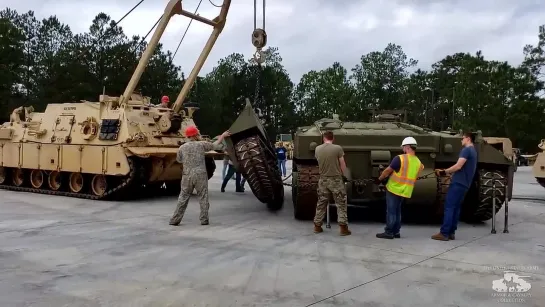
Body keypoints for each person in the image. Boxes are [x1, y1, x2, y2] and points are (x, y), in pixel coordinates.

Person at [169, 126, 230, 226]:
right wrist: (222, 135)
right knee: (203, 196)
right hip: (200, 174)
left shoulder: (182, 147)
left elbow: (179, 160)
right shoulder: (201, 145)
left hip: (187, 175)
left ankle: (175, 220)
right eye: (197, 134)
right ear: (195, 135)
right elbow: (215, 145)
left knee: (183, 197)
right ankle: (204, 219)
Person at [432, 131, 478, 241]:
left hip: (458, 183)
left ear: (468, 138)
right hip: (465, 184)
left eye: (462, 138)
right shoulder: (474, 151)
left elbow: (458, 166)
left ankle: (444, 233)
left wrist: (444, 172)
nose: (461, 140)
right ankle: (451, 232)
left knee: (449, 207)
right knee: (456, 208)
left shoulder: (466, 150)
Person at [375, 137, 424, 239]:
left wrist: (379, 179)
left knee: (391, 211)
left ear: (407, 147)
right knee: (397, 211)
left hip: (394, 188)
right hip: (405, 190)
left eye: (403, 147)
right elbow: (415, 176)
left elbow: (388, 170)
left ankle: (389, 232)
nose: (403, 149)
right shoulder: (419, 163)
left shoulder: (400, 158)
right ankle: (396, 231)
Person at [312, 131, 351, 236]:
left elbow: (318, 161)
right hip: (336, 180)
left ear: (323, 138)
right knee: (341, 204)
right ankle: (343, 228)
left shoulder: (317, 149)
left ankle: (317, 226)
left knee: (321, 203)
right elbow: (342, 164)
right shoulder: (338, 148)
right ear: (333, 138)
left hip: (323, 180)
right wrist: (345, 176)